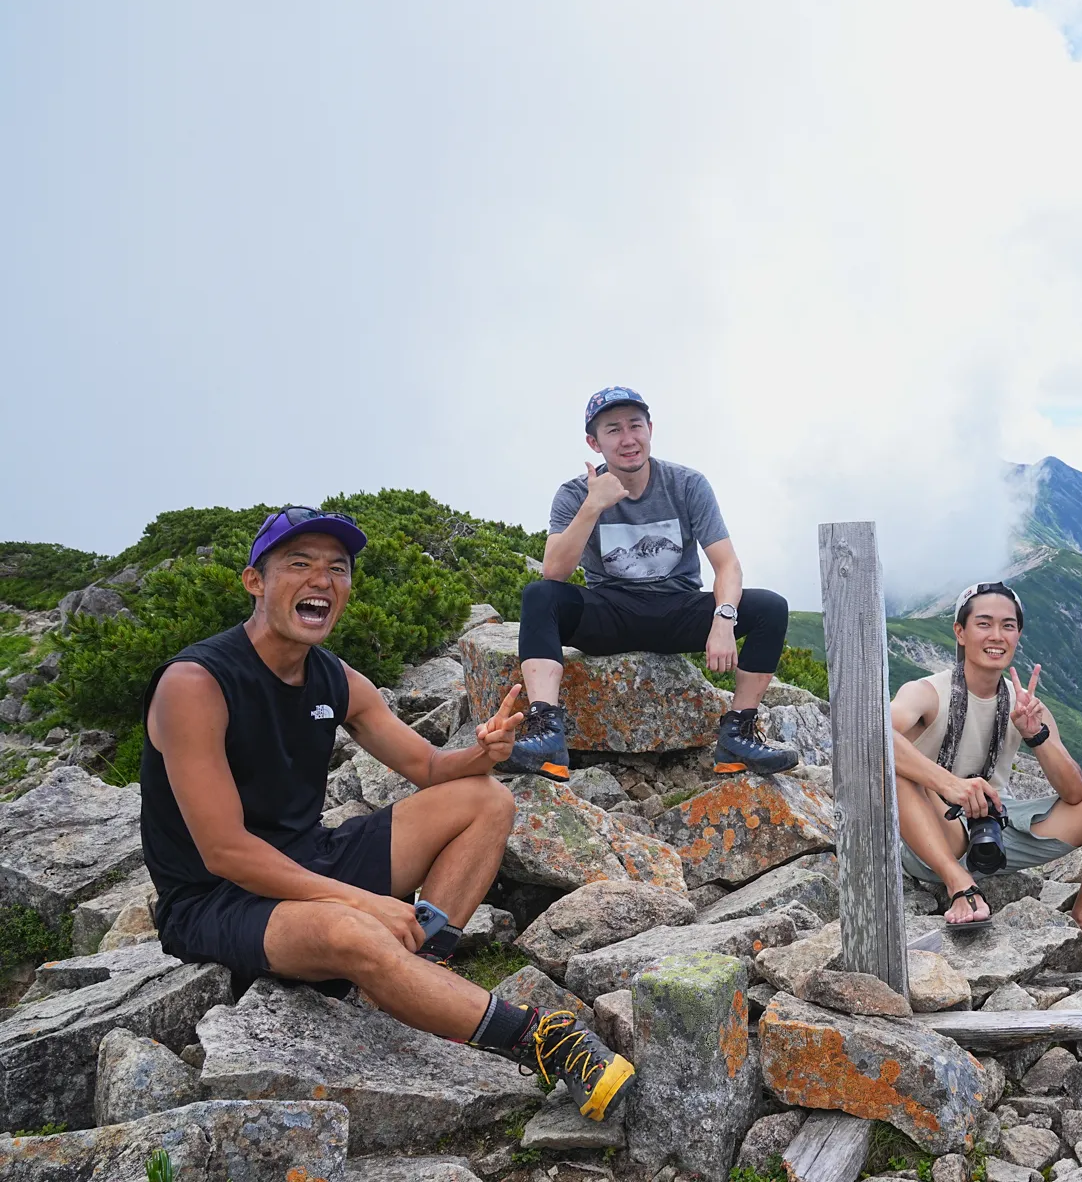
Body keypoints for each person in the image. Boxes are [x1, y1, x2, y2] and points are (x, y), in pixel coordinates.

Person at [141, 507, 634, 1123]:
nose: (322, 579)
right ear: (255, 581)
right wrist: (361, 903)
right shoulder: (196, 683)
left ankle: (416, 972)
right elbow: (226, 852)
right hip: (215, 898)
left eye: (337, 569)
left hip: (309, 859)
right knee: (353, 931)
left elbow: (426, 768)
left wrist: (482, 753)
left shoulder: (336, 678)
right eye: (299, 564)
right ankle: (540, 1042)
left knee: (487, 798)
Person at [503, 387, 798, 780]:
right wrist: (593, 505)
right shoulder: (575, 493)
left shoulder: (687, 485)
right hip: (610, 612)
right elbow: (554, 571)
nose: (628, 439)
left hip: (677, 610)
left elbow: (727, 565)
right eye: (613, 430)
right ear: (594, 442)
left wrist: (724, 619)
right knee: (540, 596)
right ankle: (547, 737)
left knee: (770, 607)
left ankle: (738, 736)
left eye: (635, 425)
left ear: (650, 429)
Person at [889, 582, 1082, 962]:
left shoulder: (1024, 704)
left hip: (997, 828)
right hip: (931, 834)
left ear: (1018, 635)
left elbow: (1074, 793)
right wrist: (951, 784)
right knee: (900, 767)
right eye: (984, 624)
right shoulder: (927, 692)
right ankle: (958, 884)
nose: (997, 636)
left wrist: (1037, 735)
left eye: (1008, 626)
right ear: (960, 632)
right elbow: (874, 733)